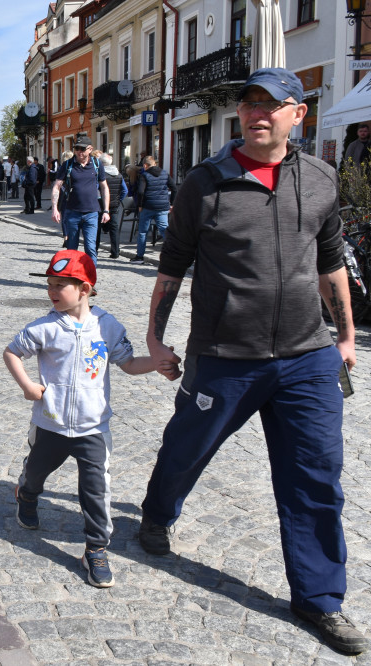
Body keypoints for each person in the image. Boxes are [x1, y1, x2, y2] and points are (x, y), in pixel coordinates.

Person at [138, 68, 368, 655]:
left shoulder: (319, 178)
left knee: (316, 478)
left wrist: (343, 336)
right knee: (186, 447)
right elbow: (173, 266)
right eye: (249, 103)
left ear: (299, 115)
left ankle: (320, 600)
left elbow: (331, 261)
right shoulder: (205, 183)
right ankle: (159, 512)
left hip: (307, 358)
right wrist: (157, 339)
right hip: (223, 355)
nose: (257, 113)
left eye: (272, 104)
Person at [4, 249, 165, 588]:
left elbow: (130, 364)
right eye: (49, 284)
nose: (51, 291)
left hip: (93, 427)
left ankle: (95, 548)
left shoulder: (107, 326)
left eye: (60, 285)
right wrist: (28, 385)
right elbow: (12, 352)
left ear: (85, 289)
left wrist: (158, 363)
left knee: (96, 489)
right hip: (51, 423)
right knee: (36, 472)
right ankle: (27, 495)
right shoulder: (45, 327)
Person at [51, 140, 110, 264]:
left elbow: (104, 187)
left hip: (92, 213)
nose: (79, 152)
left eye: (82, 149)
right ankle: (72, 278)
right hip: (72, 212)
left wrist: (106, 210)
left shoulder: (97, 164)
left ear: (90, 149)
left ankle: (90, 279)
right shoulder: (68, 165)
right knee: (71, 248)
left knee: (90, 248)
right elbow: (57, 186)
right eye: (77, 148)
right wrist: (55, 208)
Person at [131, 155, 176, 263]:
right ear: (154, 164)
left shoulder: (144, 175)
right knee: (164, 230)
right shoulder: (165, 173)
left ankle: (140, 257)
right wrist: (172, 204)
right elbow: (174, 188)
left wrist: (140, 205)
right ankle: (173, 255)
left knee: (143, 232)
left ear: (145, 165)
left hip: (148, 206)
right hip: (162, 206)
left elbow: (141, 192)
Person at [99, 153, 128, 259]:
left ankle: (95, 250)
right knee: (114, 228)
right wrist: (118, 199)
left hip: (102, 205)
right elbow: (125, 190)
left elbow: (97, 189)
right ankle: (115, 252)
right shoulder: (118, 174)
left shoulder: (101, 175)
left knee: (97, 227)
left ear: (101, 164)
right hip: (115, 205)